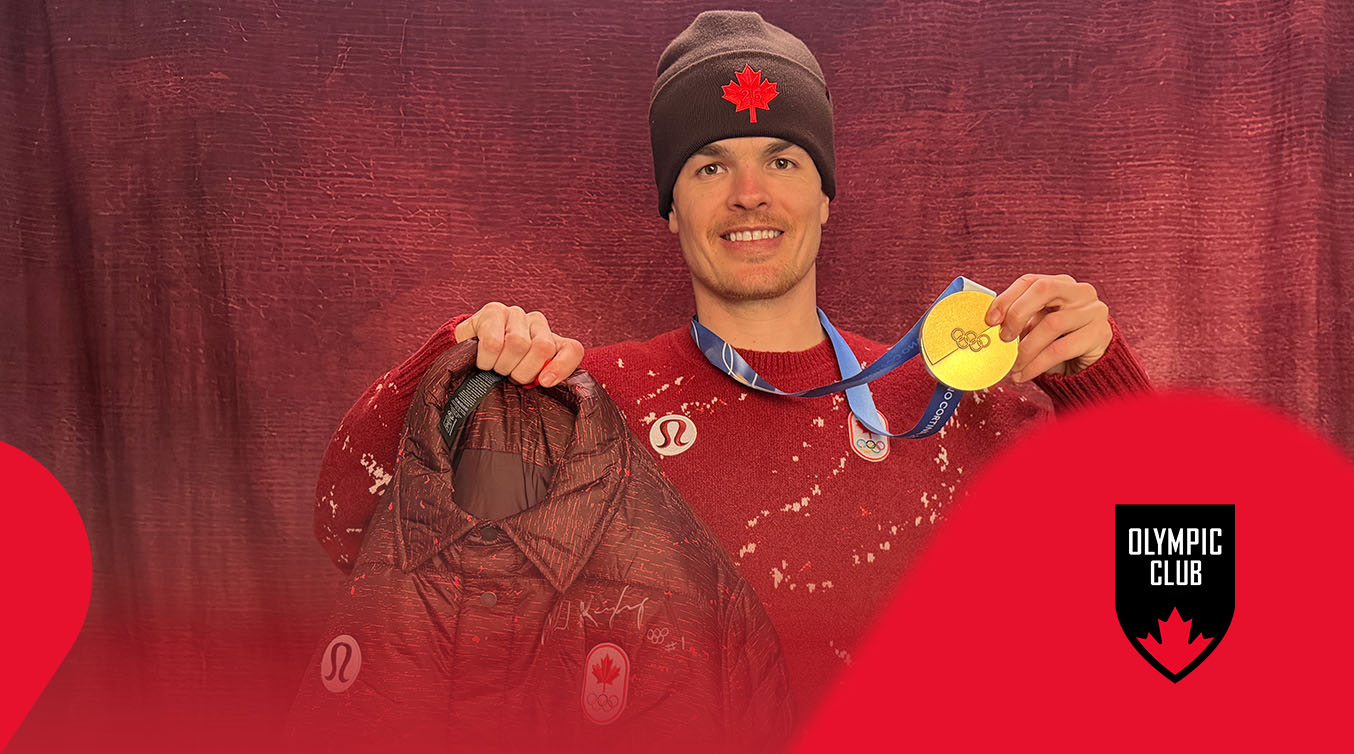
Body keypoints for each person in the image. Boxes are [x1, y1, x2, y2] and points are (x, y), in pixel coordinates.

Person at [313, 10, 1152, 716]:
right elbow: (347, 521)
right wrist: (458, 369)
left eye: (782, 160)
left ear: (826, 193)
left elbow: (1171, 573)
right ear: (670, 208)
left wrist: (1098, 378)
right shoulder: (576, 405)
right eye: (710, 164)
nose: (749, 193)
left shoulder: (948, 399)